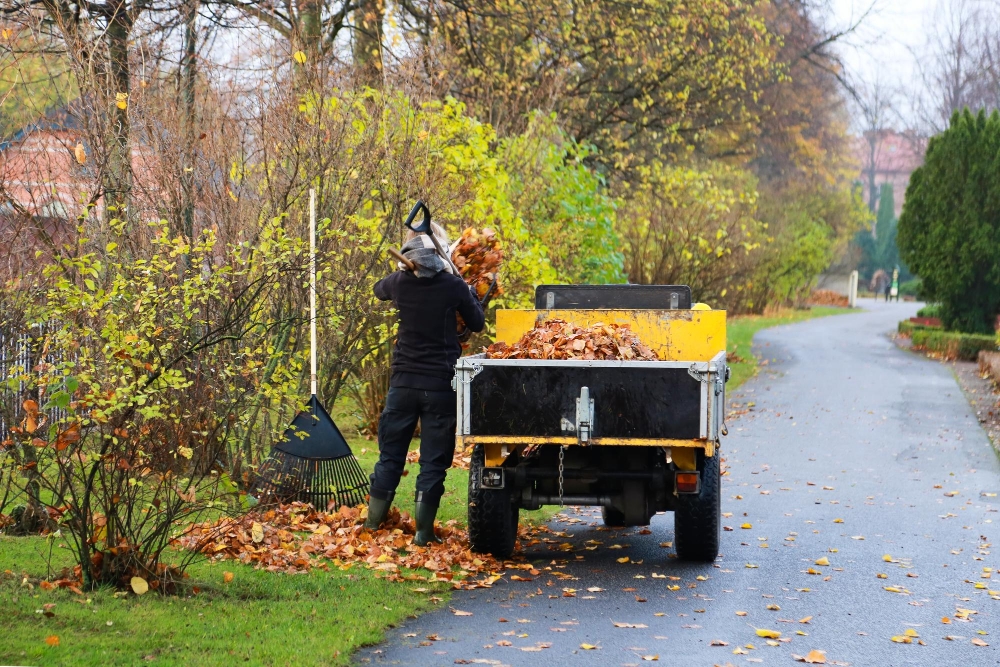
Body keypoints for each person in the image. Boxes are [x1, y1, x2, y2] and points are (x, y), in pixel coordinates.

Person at [363, 225, 485, 546]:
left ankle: (372, 526)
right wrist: (469, 293)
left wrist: (401, 273)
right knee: (433, 461)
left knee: (390, 456)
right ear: (441, 252)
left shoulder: (399, 283)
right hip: (439, 386)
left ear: (411, 253)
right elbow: (477, 323)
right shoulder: (453, 286)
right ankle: (423, 533)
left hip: (403, 385)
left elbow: (378, 289)